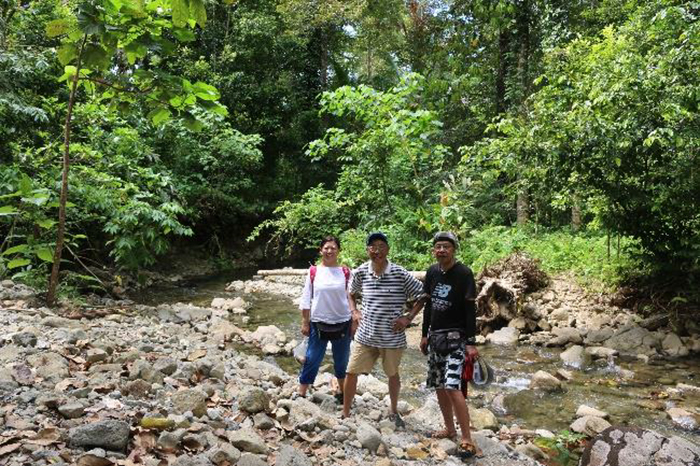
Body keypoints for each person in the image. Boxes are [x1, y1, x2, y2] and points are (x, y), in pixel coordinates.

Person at [342, 232, 426, 427]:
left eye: (381, 246)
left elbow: (422, 296)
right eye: (373, 247)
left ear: (388, 249)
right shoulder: (361, 271)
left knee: (392, 374)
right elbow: (351, 293)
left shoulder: (399, 273)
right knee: (351, 371)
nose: (377, 251)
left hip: (392, 337)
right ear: (368, 250)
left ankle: (394, 410)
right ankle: (345, 413)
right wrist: (354, 311)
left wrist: (408, 318)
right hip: (366, 335)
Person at [420, 231, 482, 457]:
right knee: (438, 385)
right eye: (438, 246)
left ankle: (466, 437)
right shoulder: (432, 271)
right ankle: (448, 428)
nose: (442, 250)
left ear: (453, 249)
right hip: (435, 337)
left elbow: (469, 309)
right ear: (434, 250)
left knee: (453, 387)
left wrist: (471, 342)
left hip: (457, 339)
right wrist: (424, 334)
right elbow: (428, 305)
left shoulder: (464, 273)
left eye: (446, 246)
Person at [297, 236, 353, 401]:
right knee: (312, 359)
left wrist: (355, 320)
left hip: (343, 322)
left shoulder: (346, 272)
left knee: (342, 361)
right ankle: (301, 393)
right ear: (321, 250)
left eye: (333, 248)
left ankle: (342, 393)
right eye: (326, 248)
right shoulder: (314, 271)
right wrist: (305, 322)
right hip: (318, 323)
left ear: (338, 251)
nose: (329, 251)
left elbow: (351, 297)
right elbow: (306, 298)